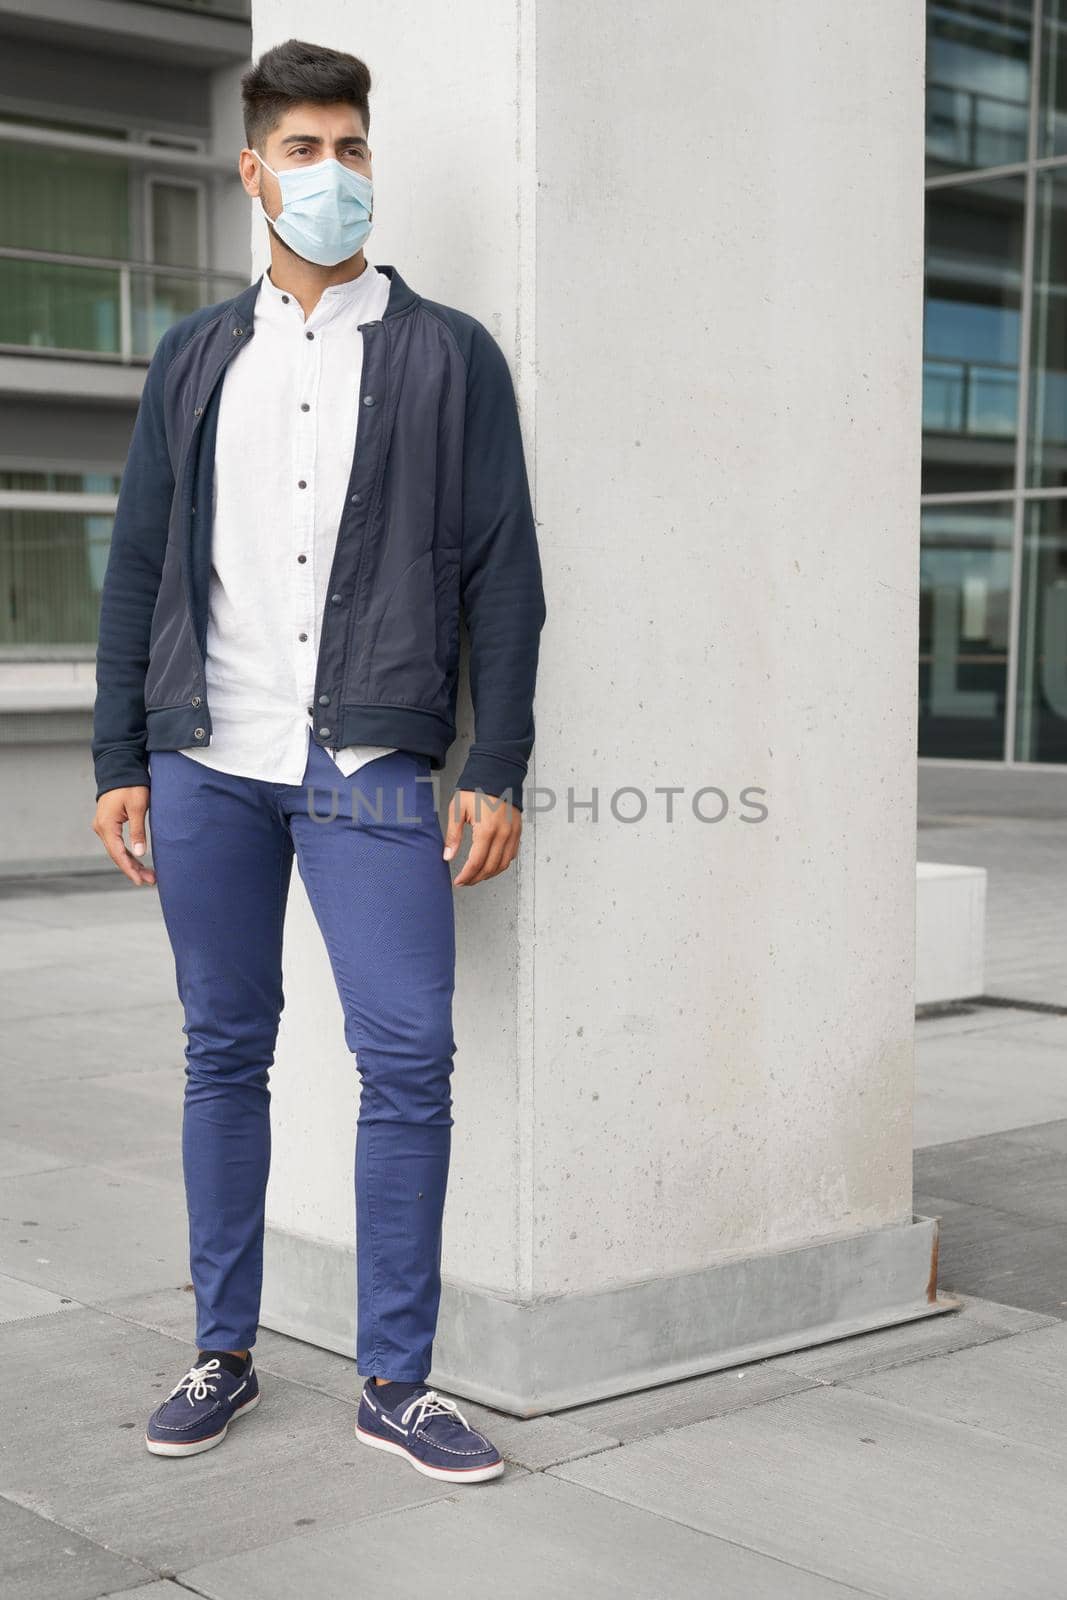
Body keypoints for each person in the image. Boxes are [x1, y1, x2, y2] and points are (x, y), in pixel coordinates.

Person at [90, 37, 546, 1484]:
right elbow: (139, 565)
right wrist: (122, 753)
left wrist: (500, 760)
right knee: (224, 1049)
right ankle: (222, 1350)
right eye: (303, 150)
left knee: (408, 1054)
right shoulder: (196, 358)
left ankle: (394, 1380)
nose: (332, 175)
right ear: (254, 171)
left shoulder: (445, 352)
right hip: (205, 758)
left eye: (351, 148)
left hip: (373, 759)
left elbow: (504, 576)